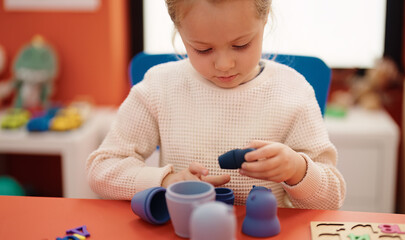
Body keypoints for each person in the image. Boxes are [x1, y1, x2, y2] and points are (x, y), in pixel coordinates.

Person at [86, 0, 346, 209]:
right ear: (180, 30)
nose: (224, 65)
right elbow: (102, 169)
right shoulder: (159, 86)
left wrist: (297, 170)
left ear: (265, 18)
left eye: (241, 44)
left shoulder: (294, 91)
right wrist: (166, 180)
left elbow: (332, 197)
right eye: (203, 49)